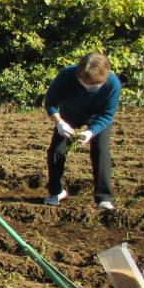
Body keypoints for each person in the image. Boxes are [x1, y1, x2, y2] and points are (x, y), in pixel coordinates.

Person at [43, 53, 121, 210]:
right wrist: (60, 123)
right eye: (83, 83)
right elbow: (50, 102)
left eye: (92, 85)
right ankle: (56, 192)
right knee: (56, 151)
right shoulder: (66, 75)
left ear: (103, 79)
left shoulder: (113, 84)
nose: (88, 86)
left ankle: (103, 198)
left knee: (101, 151)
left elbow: (107, 114)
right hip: (69, 114)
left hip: (98, 117)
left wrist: (91, 132)